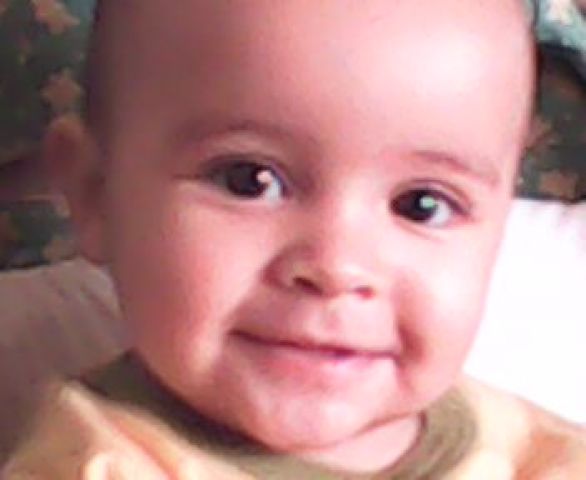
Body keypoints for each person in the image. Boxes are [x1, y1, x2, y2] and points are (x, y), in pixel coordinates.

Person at [3, 0, 586, 477]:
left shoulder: (544, 454)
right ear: (95, 195)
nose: (337, 266)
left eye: (422, 205)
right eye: (249, 181)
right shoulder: (96, 466)